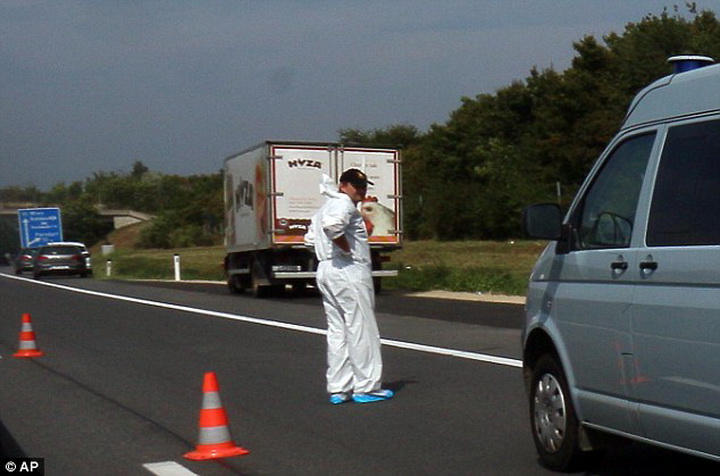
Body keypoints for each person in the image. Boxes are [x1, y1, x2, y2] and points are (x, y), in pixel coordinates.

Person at [304, 169, 394, 404]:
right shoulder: (343, 205)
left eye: (364, 186)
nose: (361, 190)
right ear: (343, 186)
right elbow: (333, 228)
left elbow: (309, 240)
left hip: (326, 269)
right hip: (348, 270)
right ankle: (366, 386)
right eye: (356, 186)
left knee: (338, 329)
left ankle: (339, 386)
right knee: (361, 326)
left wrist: (329, 251)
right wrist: (345, 249)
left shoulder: (324, 208)